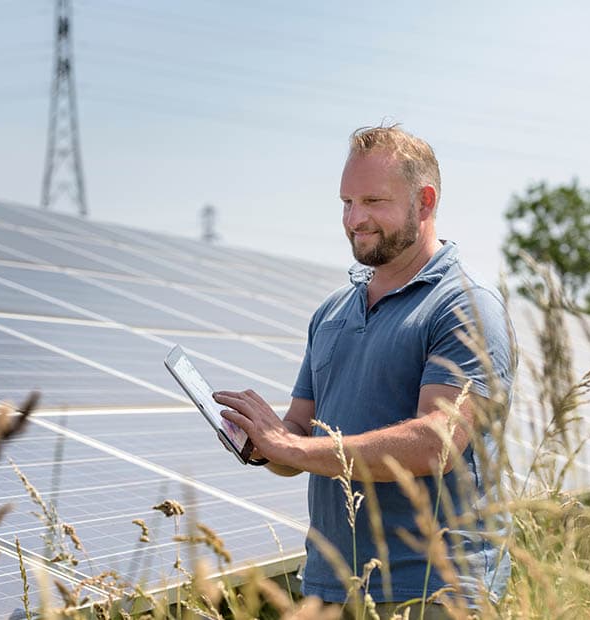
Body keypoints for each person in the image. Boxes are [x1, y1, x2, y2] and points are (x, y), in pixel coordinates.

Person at [213, 125, 515, 618]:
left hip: (431, 591)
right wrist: (262, 443)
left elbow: (438, 441)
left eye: (373, 200)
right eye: (346, 202)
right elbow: (298, 444)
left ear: (425, 201)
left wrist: (292, 446)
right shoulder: (332, 312)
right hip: (331, 587)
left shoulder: (463, 305)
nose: (355, 219)